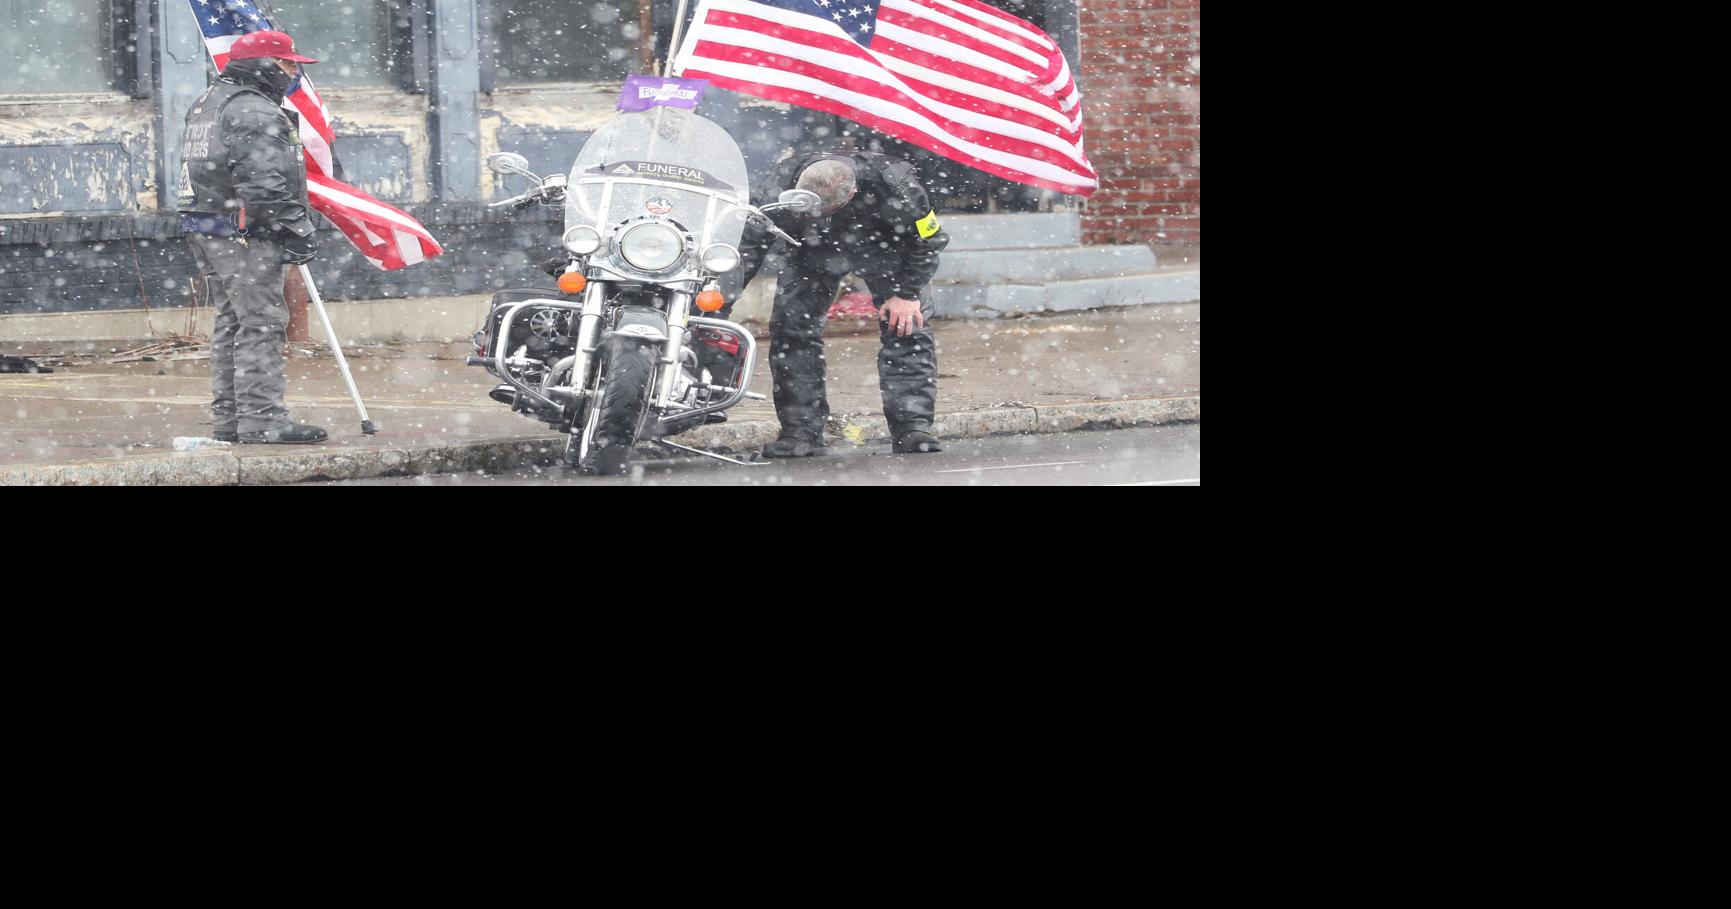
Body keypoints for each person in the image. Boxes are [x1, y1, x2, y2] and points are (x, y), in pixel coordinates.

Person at [720, 150, 949, 457]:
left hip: (886, 250)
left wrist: (907, 295)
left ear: (853, 192)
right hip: (812, 252)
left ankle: (913, 427)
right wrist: (720, 301)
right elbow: (749, 244)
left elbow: (928, 241)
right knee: (791, 332)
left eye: (827, 210)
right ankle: (801, 433)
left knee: (907, 327)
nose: (820, 215)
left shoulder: (896, 183)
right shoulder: (780, 181)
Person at [176, 30, 327, 444]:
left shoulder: (211, 100)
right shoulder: (253, 110)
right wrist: (293, 228)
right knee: (261, 322)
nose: (294, 73)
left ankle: (231, 419)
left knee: (233, 320)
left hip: (209, 225)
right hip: (245, 232)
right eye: (288, 65)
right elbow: (262, 182)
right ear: (264, 65)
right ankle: (263, 420)